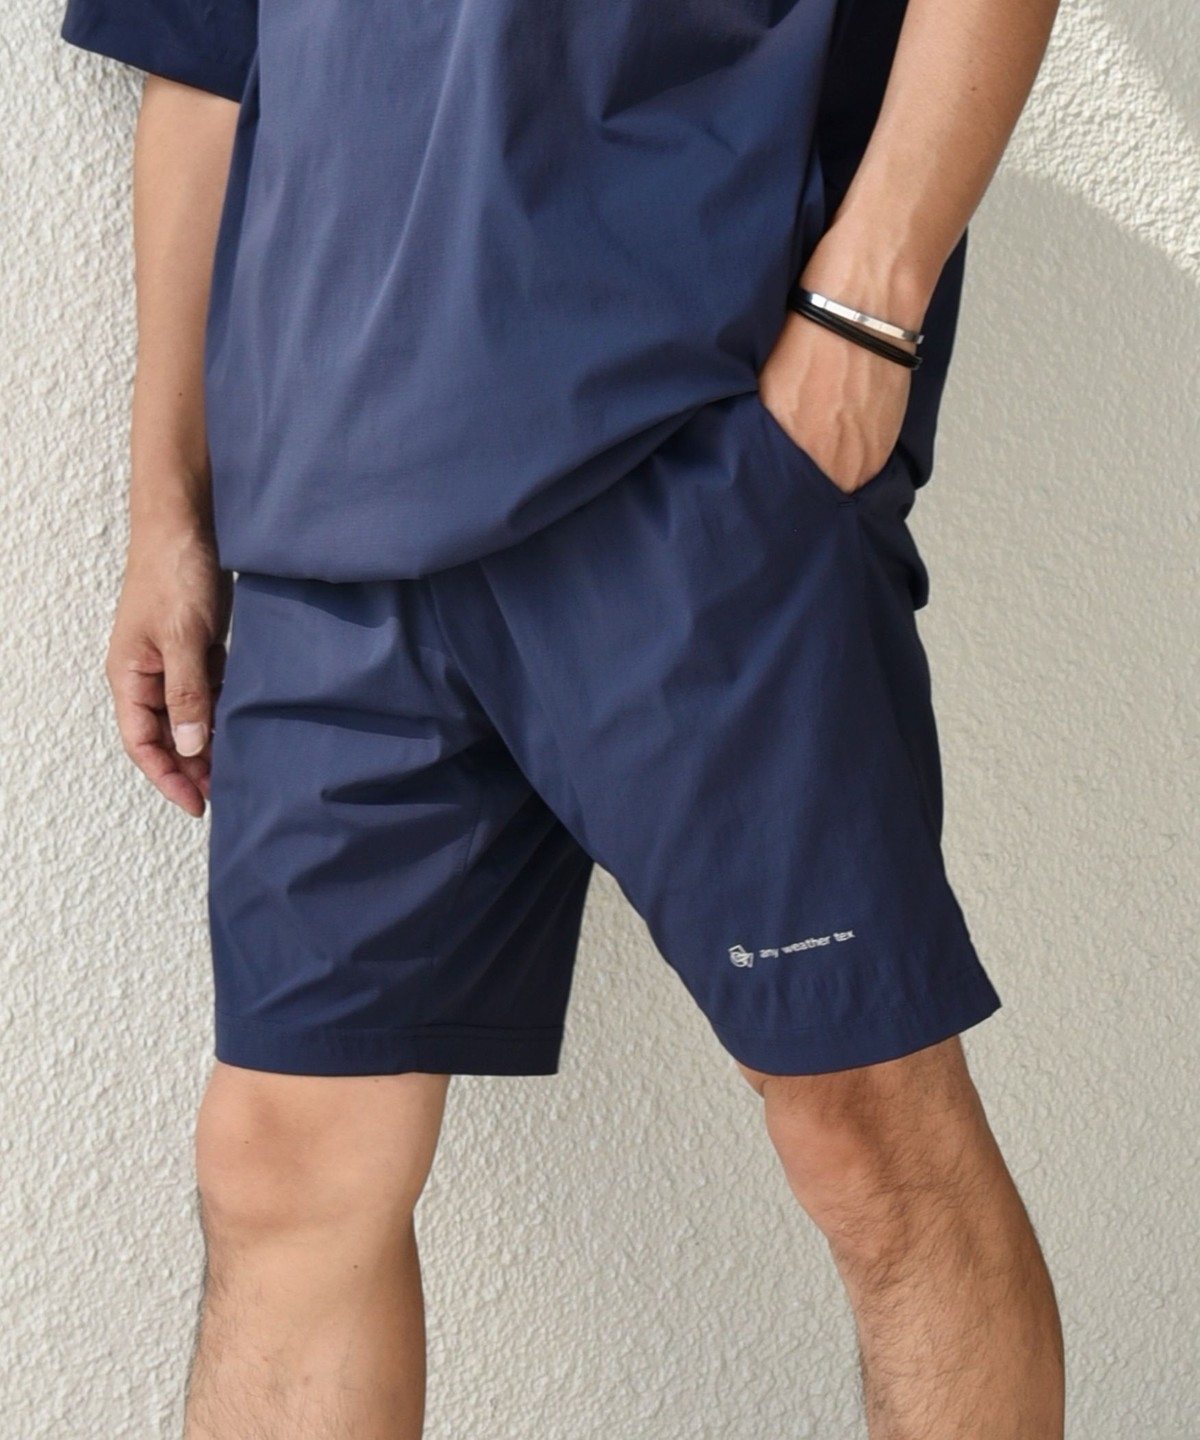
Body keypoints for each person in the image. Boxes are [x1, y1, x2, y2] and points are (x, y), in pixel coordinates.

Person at [58, 0, 1066, 1434]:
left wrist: (869, 303)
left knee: (868, 1130)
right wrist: (169, 511)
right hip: (326, 513)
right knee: (285, 1167)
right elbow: (204, 63)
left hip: (685, 460)